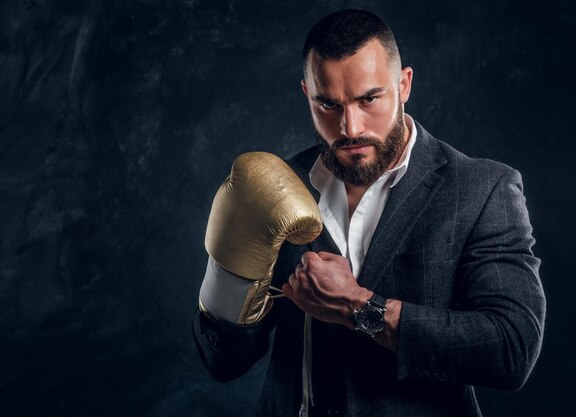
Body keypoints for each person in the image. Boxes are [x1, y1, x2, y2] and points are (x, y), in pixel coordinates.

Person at [193, 9, 546, 417]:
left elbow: (511, 349)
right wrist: (226, 277)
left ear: (404, 84)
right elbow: (222, 364)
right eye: (328, 104)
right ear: (307, 93)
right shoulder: (278, 187)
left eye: (368, 98)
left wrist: (359, 307)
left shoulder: (481, 189)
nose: (349, 126)